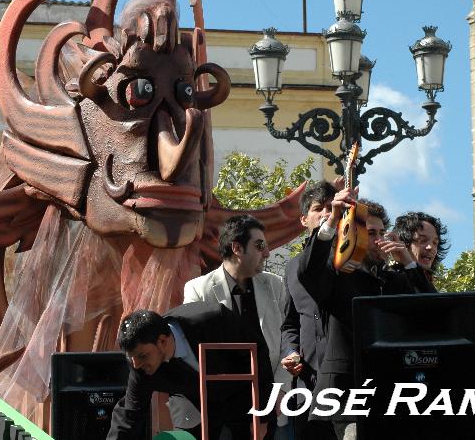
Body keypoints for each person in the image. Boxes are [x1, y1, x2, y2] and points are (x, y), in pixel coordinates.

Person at [297, 188, 435, 439]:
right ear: (353, 234)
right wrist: (331, 221)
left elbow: (432, 311)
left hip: (386, 399)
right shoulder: (338, 275)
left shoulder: (395, 280)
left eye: (382, 233)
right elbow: (308, 271)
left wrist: (409, 263)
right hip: (341, 401)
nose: (379, 240)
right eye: (371, 233)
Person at [184, 214, 291, 438]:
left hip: (270, 405)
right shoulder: (197, 289)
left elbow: (288, 341)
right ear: (237, 248)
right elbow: (193, 352)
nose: (267, 253)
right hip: (219, 411)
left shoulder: (276, 286)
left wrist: (281, 390)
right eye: (259, 245)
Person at [107, 303, 274, 440]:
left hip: (241, 394)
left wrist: (262, 416)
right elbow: (130, 412)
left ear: (163, 341)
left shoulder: (213, 318)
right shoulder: (141, 365)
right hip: (192, 405)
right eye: (131, 358)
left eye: (142, 355)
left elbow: (258, 356)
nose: (136, 365)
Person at [280, 181, 338, 440]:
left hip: (346, 384)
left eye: (330, 207)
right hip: (307, 385)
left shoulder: (349, 260)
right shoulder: (292, 268)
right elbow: (290, 323)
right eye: (319, 208)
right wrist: (290, 351)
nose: (326, 213)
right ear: (304, 219)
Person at [393, 211, 449, 282]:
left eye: (435, 243)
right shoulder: (392, 279)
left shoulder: (428, 284)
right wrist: (410, 265)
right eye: (422, 240)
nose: (430, 247)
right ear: (403, 243)